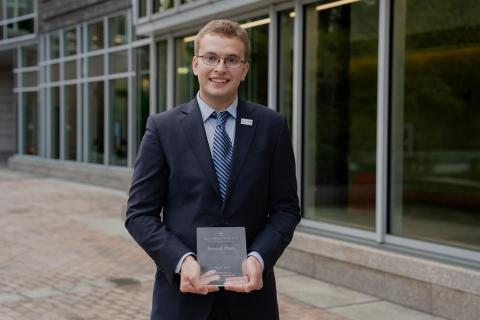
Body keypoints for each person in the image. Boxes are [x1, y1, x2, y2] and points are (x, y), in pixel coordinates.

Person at [125, 19, 300, 320]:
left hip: (250, 299)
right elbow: (139, 214)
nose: (220, 68)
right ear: (195, 64)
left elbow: (286, 209)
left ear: (244, 70)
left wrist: (258, 259)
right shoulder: (162, 128)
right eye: (211, 58)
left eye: (232, 60)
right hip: (182, 296)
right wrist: (182, 261)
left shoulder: (271, 127)